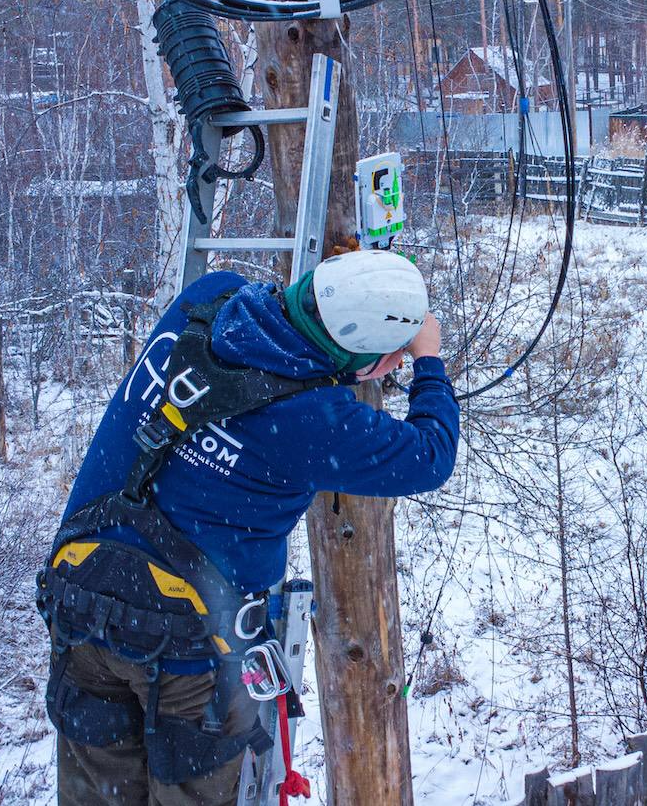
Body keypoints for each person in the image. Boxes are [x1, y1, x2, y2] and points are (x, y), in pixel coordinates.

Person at [36, 250, 460, 805]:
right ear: (366, 360)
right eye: (393, 359)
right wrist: (429, 361)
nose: (394, 367)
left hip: (80, 597)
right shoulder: (317, 422)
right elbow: (432, 456)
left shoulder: (209, 301)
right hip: (186, 644)